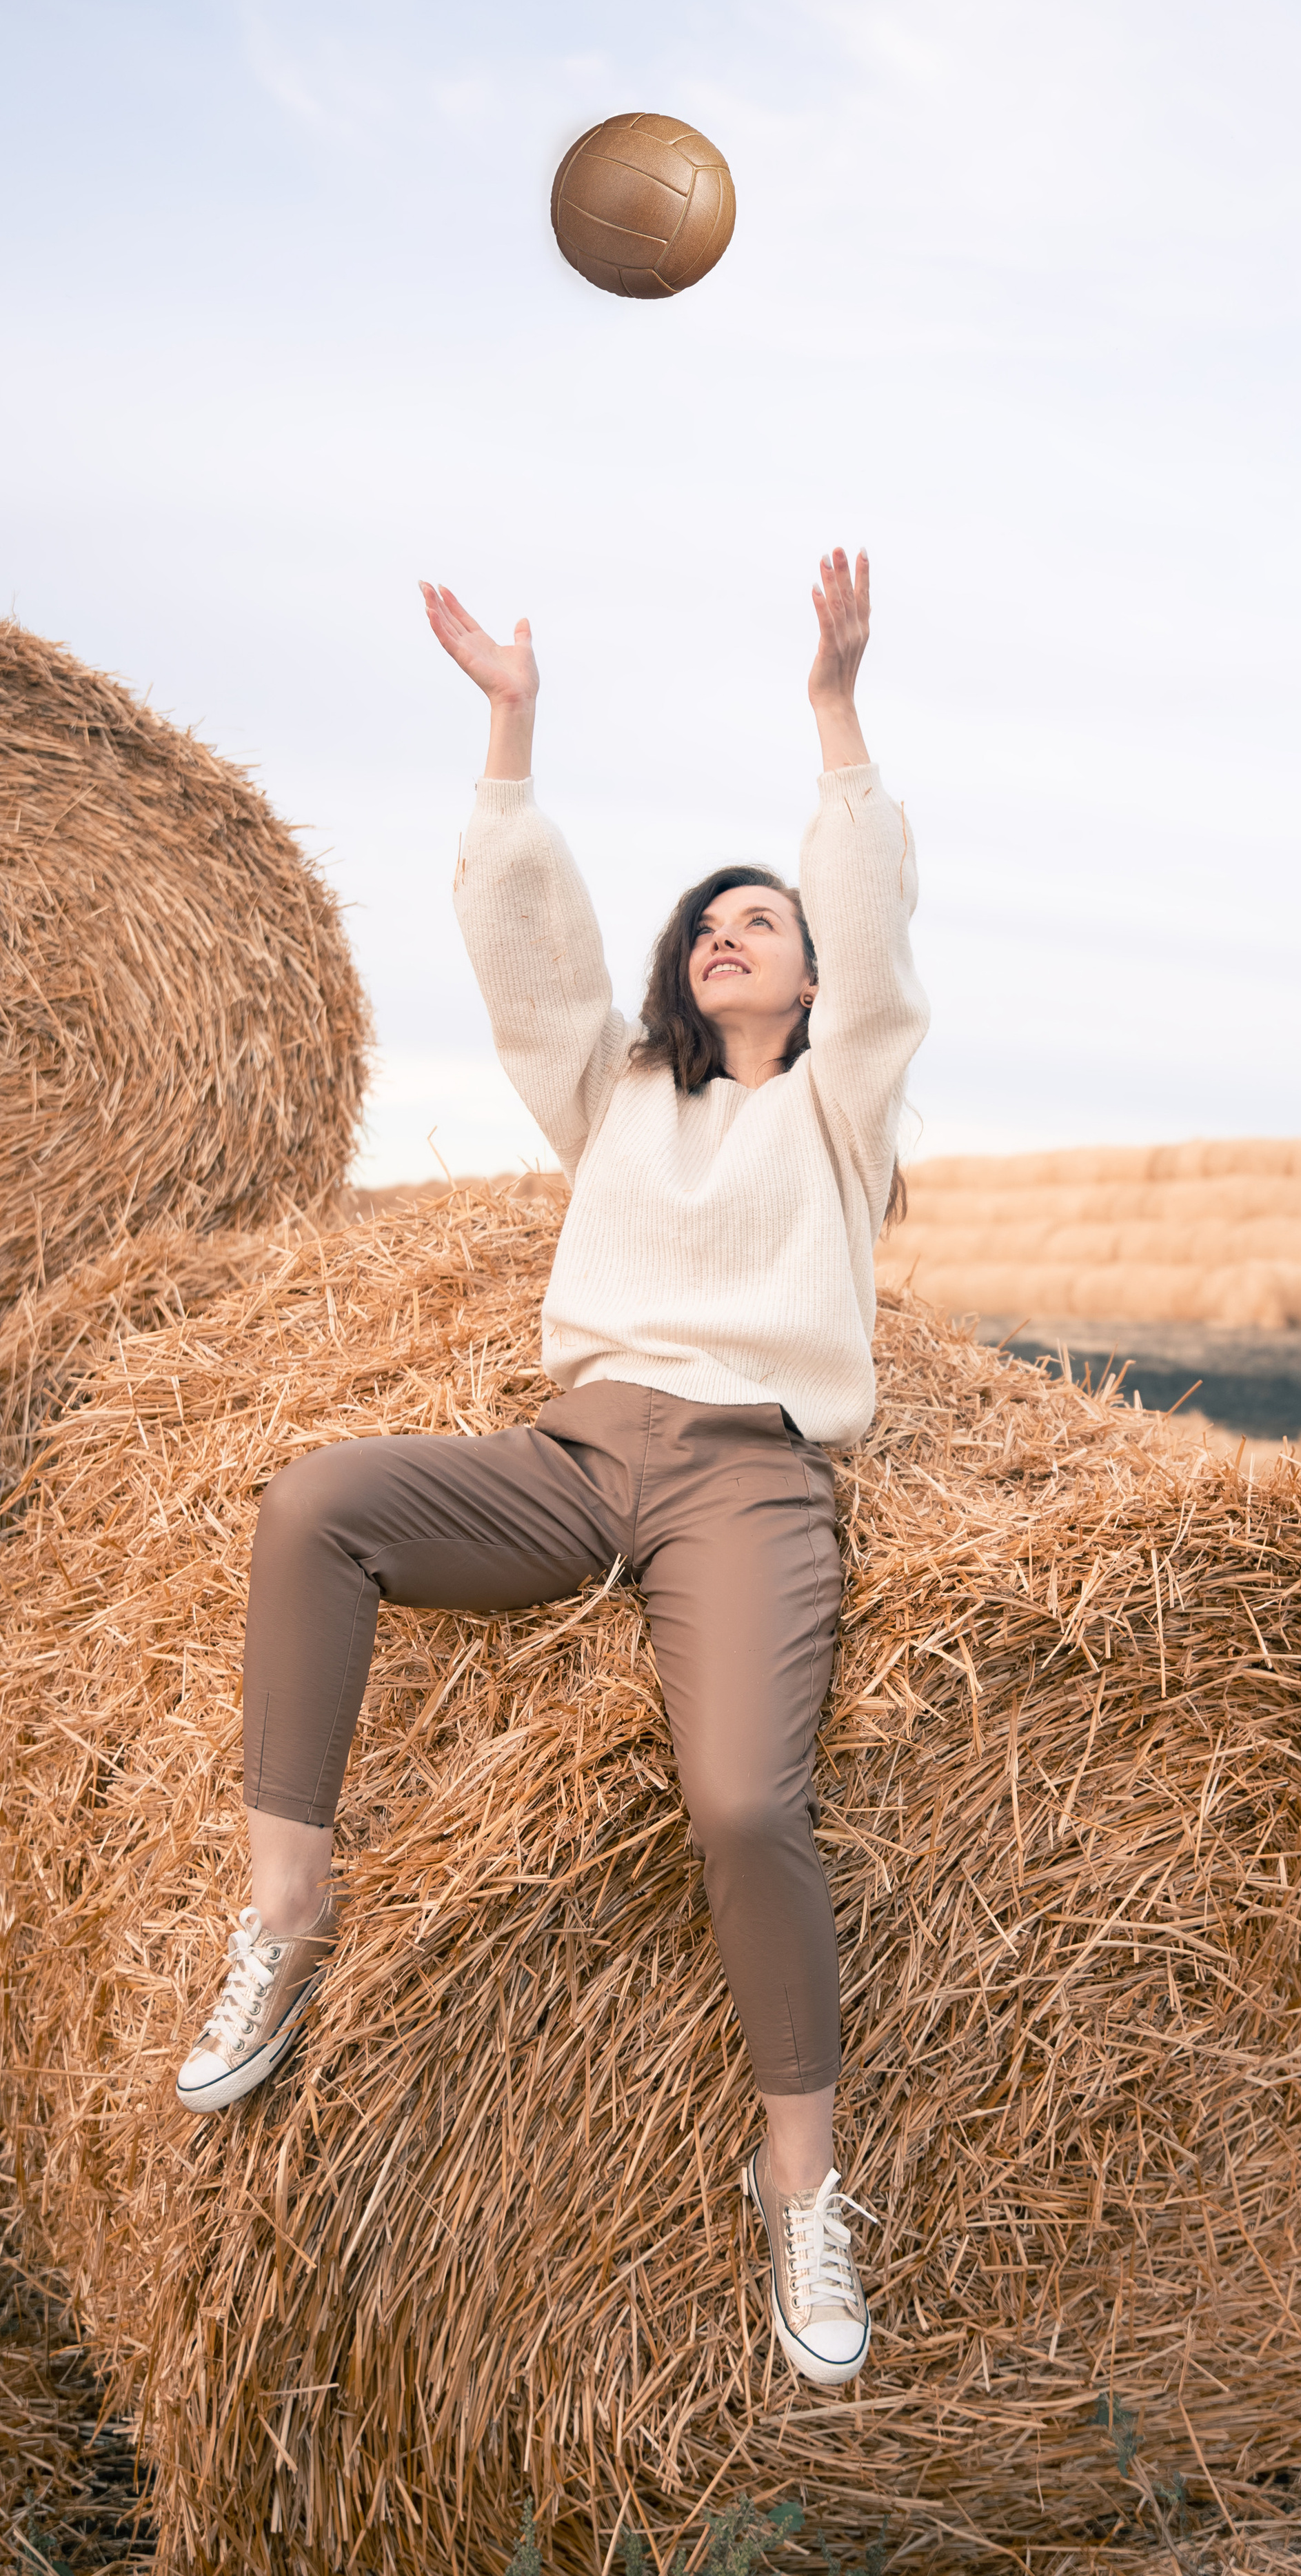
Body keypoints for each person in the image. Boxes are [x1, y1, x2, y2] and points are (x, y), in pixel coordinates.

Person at [174, 547, 928, 2390]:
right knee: (318, 1504)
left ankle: (802, 2188)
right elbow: (536, 964)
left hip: (750, 1481)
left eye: (765, 919)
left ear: (815, 978)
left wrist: (833, 708)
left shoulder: (836, 1112)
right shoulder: (620, 1095)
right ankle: (285, 1913)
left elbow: (878, 929)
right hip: (576, 1457)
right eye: (709, 920)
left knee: (746, 1805)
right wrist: (509, 736)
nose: (727, 930)